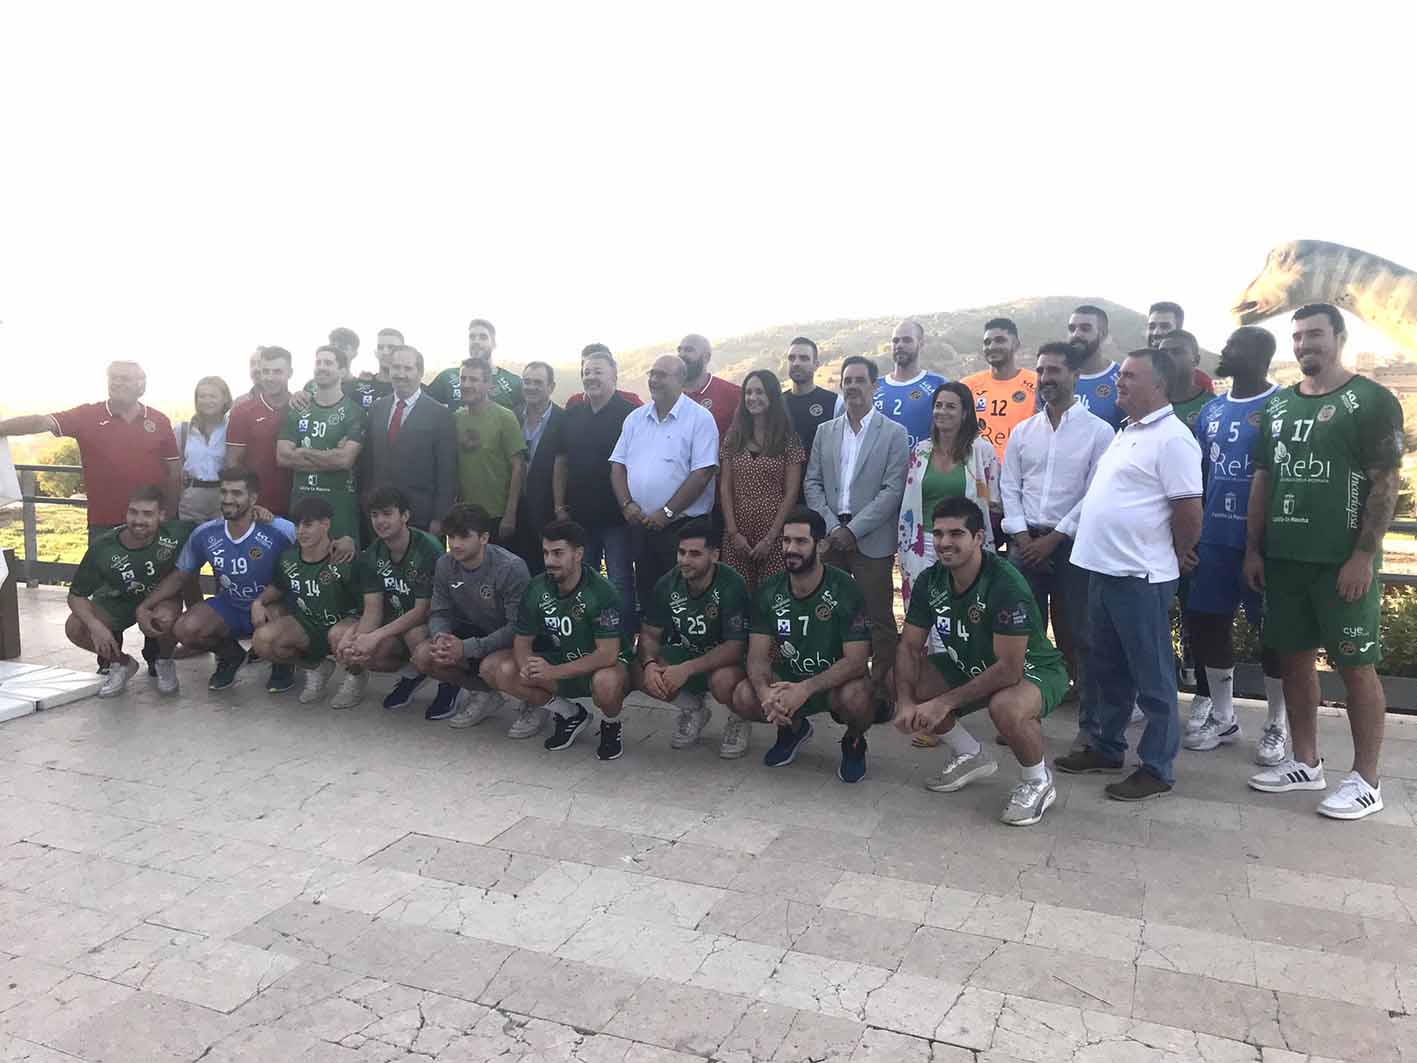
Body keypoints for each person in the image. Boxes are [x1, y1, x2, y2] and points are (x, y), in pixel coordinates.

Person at [1244, 303, 1404, 820]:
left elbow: (1386, 481)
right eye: (1296, 337)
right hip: (1286, 558)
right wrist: (1253, 547)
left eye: (1314, 334)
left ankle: (1366, 780)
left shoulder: (1372, 400)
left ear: (1338, 336)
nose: (1304, 345)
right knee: (1293, 658)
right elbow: (1264, 478)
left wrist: (1364, 554)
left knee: (1356, 666)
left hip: (1341, 562)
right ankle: (1305, 762)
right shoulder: (1280, 406)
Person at [1057, 347, 1203, 801]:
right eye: (1120, 375)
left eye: (1130, 377)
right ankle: (1106, 745)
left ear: (1158, 385)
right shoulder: (1128, 431)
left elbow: (1188, 507)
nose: (1119, 383)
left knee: (1153, 675)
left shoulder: (1173, 438)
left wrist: (1180, 553)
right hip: (1102, 568)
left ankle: (1157, 767)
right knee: (1107, 669)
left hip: (1140, 575)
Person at [895, 498, 1071, 826]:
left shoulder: (1005, 584)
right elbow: (908, 646)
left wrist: (942, 703)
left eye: (956, 534)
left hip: (1034, 669)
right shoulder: (931, 580)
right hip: (971, 664)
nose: (945, 543)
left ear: (978, 538)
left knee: (1006, 706)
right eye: (939, 534)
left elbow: (1009, 669)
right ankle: (970, 755)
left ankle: (1037, 780)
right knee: (909, 676)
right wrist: (905, 702)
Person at [1000, 343, 1115, 741]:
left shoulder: (1099, 432)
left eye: (1055, 371)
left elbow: (1095, 493)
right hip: (1023, 542)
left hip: (1072, 545)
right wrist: (1021, 537)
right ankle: (1018, 714)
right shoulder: (1023, 431)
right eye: (1041, 371)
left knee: (1079, 632)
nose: (1046, 379)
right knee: (1021, 634)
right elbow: (1009, 485)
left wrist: (1053, 539)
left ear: (1074, 376)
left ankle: (1090, 722)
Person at [1182, 327, 1287, 763]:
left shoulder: (1283, 405)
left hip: (1264, 545)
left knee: (1274, 635)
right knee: (1209, 624)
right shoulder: (1212, 410)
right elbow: (1199, 478)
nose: (1224, 351)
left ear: (1261, 356)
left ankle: (1277, 724)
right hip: (1215, 541)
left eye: (1233, 346)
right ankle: (1224, 717)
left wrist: (1261, 545)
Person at [730, 506, 876, 782]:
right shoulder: (769, 590)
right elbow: (757, 656)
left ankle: (854, 742)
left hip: (833, 683)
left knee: (858, 697)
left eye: (800, 541)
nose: (790, 549)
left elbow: (857, 661)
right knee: (743, 695)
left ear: (820, 546)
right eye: (786, 541)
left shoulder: (846, 589)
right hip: (790, 677)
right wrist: (765, 694)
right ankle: (792, 729)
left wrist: (805, 689)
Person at [896, 381, 1000, 748]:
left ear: (966, 412)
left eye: (950, 406)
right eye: (938, 406)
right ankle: (929, 715)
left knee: (959, 624)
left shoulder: (981, 452)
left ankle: (954, 706)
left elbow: (992, 501)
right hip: (920, 543)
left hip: (965, 548)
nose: (942, 412)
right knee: (925, 626)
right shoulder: (920, 452)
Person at [804, 356, 909, 703]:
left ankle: (880, 688)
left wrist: (855, 530)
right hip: (832, 537)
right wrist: (834, 528)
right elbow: (813, 483)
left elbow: (893, 491)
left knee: (878, 618)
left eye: (859, 380)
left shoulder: (894, 433)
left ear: (874, 386)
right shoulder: (825, 431)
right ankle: (833, 680)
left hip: (872, 539)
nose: (852, 387)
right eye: (846, 381)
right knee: (831, 612)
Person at [138, 466, 299, 692]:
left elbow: (317, 549)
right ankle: (231, 656)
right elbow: (180, 576)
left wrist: (344, 544)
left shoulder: (279, 528)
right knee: (186, 628)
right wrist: (146, 605)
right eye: (224, 492)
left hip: (272, 605)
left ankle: (283, 664)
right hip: (231, 605)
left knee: (274, 628)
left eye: (236, 493)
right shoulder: (206, 533)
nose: (228, 499)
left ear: (253, 498)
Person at [488, 520, 633, 760]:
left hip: (600, 666)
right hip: (560, 661)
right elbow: (522, 640)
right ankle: (570, 714)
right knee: (499, 669)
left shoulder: (602, 591)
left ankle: (611, 724)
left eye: (558, 553)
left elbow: (607, 654)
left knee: (606, 683)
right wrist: (527, 667)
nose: (549, 561)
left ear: (578, 554)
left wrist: (553, 672)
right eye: (546, 553)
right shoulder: (536, 588)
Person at [0, 360, 180, 540]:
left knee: (155, 569)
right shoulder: (87, 415)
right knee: (101, 569)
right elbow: (42, 422)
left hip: (150, 521)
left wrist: (169, 516)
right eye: (113, 378)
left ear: (141, 385)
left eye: (124, 378)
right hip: (104, 523)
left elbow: (174, 473)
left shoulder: (159, 420)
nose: (117, 382)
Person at [609, 354, 719, 622]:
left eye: (662, 375)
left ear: (681, 379)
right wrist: (627, 505)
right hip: (641, 526)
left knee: (687, 597)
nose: (654, 380)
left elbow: (703, 473)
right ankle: (651, 656)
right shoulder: (635, 419)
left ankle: (685, 655)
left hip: (683, 529)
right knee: (649, 596)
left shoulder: (700, 419)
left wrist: (667, 512)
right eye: (652, 373)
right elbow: (617, 466)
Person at [410, 504, 532, 731]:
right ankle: (484, 694)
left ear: (484, 537)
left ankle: (536, 703)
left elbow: (518, 627)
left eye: (464, 536)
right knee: (424, 654)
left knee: (493, 667)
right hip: (475, 632)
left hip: (519, 640)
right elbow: (440, 611)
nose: (455, 544)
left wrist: (466, 648)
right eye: (451, 536)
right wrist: (441, 638)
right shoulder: (445, 564)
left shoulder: (511, 568)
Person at [635, 519, 751, 756]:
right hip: (690, 651)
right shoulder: (668, 582)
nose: (685, 560)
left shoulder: (732, 584)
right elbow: (649, 634)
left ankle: (739, 719)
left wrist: (686, 669)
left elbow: (735, 647)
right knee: (635, 667)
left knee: (723, 681)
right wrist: (649, 665)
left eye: (695, 554)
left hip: (729, 662)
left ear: (714, 555)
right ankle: (693, 709)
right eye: (681, 552)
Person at [67, 485, 193, 698]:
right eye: (133, 512)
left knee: (165, 617)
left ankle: (164, 661)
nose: (138, 520)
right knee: (75, 626)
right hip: (118, 600)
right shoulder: (104, 547)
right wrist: (95, 625)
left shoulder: (178, 532)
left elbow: (221, 526)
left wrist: (259, 514)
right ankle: (122, 663)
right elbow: (75, 595)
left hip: (158, 599)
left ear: (162, 516)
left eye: (147, 514)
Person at [335, 486, 445, 711]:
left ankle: (448, 686)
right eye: (375, 515)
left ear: (405, 516)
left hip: (432, 621)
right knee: (343, 639)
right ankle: (407, 674)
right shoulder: (373, 554)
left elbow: (422, 610)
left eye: (387, 513)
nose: (380, 521)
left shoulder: (428, 548)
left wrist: (374, 637)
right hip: (395, 621)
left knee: (415, 636)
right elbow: (372, 611)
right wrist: (356, 642)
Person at [554, 349, 639, 634]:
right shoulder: (572, 414)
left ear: (614, 374)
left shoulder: (631, 415)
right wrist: (559, 506)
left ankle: (624, 644)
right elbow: (561, 461)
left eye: (598, 372)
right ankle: (584, 640)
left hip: (618, 518)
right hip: (579, 518)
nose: (591, 377)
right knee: (579, 580)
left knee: (620, 582)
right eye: (586, 372)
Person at [250, 496, 363, 705]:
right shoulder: (288, 558)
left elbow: (369, 604)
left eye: (308, 524)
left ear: (326, 524)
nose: (301, 530)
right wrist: (258, 601)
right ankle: (317, 668)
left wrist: (357, 627)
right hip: (309, 625)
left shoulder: (346, 557)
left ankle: (356, 676)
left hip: (343, 626)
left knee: (338, 633)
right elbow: (279, 586)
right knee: (262, 640)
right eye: (297, 524)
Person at [719, 370, 806, 592]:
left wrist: (770, 538)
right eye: (748, 392)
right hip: (737, 532)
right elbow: (725, 487)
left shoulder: (788, 439)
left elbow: (791, 493)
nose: (753, 397)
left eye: (759, 391)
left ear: (772, 396)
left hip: (775, 534)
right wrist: (733, 533)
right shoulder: (733, 437)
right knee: (737, 597)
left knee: (774, 597)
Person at [364, 345, 458, 535]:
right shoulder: (376, 409)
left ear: (420, 372)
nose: (401, 374)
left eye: (408, 369)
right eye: (396, 368)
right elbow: (368, 462)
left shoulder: (440, 414)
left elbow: (447, 472)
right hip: (380, 516)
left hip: (420, 516)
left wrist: (440, 518)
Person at [277, 345, 366, 544]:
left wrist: (302, 452)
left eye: (328, 363)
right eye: (318, 362)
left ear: (343, 371)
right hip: (302, 505)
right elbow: (282, 457)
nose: (321, 367)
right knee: (303, 564)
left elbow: (345, 460)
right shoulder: (297, 409)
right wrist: (330, 456)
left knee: (341, 564)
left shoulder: (354, 412)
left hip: (340, 507)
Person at [453, 359, 525, 543]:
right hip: (465, 515)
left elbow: (518, 467)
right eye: (463, 378)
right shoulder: (455, 419)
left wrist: (510, 514)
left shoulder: (505, 417)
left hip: (496, 515)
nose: (467, 384)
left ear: (488, 385)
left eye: (474, 380)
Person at [226, 346, 295, 519]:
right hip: (258, 509)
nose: (270, 378)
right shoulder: (242, 411)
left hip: (297, 505)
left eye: (277, 372)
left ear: (290, 373)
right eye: (266, 371)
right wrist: (247, 504)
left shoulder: (302, 408)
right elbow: (233, 463)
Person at [961, 318, 1038, 464]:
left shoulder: (1036, 384)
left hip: (1021, 473)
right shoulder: (967, 386)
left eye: (1000, 340)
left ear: (1016, 344)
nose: (992, 346)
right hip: (976, 473)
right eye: (987, 342)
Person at [516, 361, 564, 574]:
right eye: (527, 382)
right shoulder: (511, 416)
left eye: (538, 382)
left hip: (548, 511)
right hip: (515, 510)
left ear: (551, 387)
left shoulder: (564, 420)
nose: (531, 387)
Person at [427, 318, 524, 418]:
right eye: (472, 337)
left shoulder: (514, 382)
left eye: (483, 337)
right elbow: (422, 405)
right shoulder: (447, 377)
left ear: (494, 343)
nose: (476, 341)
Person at [876, 319, 948, 449]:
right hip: (881, 468)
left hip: (921, 466)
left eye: (907, 340)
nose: (899, 345)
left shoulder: (938, 384)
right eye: (895, 340)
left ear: (921, 344)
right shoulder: (874, 386)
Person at [782, 337, 839, 487]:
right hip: (783, 496)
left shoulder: (834, 403)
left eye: (804, 358)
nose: (796, 363)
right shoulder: (777, 403)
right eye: (791, 358)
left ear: (816, 365)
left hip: (821, 495)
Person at [176, 376, 233, 522]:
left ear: (225, 399)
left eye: (213, 396)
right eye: (202, 396)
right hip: (191, 498)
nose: (207, 401)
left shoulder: (233, 429)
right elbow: (173, 466)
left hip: (224, 495)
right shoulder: (182, 430)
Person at [1067, 305, 1125, 430]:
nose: (1076, 334)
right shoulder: (1057, 376)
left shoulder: (1122, 379)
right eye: (1072, 329)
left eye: (1085, 329)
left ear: (1103, 334)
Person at [677, 333, 741, 439]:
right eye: (679, 350)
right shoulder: (670, 397)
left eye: (689, 350)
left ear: (706, 357)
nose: (681, 355)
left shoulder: (733, 394)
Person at [1147, 301, 1213, 392]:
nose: (1156, 332)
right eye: (1152, 326)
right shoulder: (1134, 370)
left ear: (1178, 331)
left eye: (1164, 326)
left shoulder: (1199, 381)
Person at [1157, 330, 1215, 432]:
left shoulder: (1213, 407)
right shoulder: (1147, 403)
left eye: (1177, 352)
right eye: (1163, 353)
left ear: (1196, 360)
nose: (1168, 357)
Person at [565, 343, 643, 408]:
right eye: (584, 366)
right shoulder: (574, 402)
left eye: (597, 370)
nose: (591, 376)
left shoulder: (632, 402)